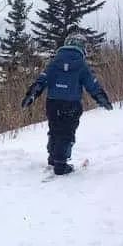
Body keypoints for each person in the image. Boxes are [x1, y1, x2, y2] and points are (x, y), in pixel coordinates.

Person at [21, 34, 113, 175]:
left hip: (52, 103)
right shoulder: (81, 65)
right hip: (71, 104)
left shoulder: (54, 62)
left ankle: (53, 158)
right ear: (81, 48)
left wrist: (31, 95)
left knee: (54, 129)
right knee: (67, 133)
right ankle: (60, 164)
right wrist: (102, 99)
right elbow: (92, 85)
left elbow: (42, 80)